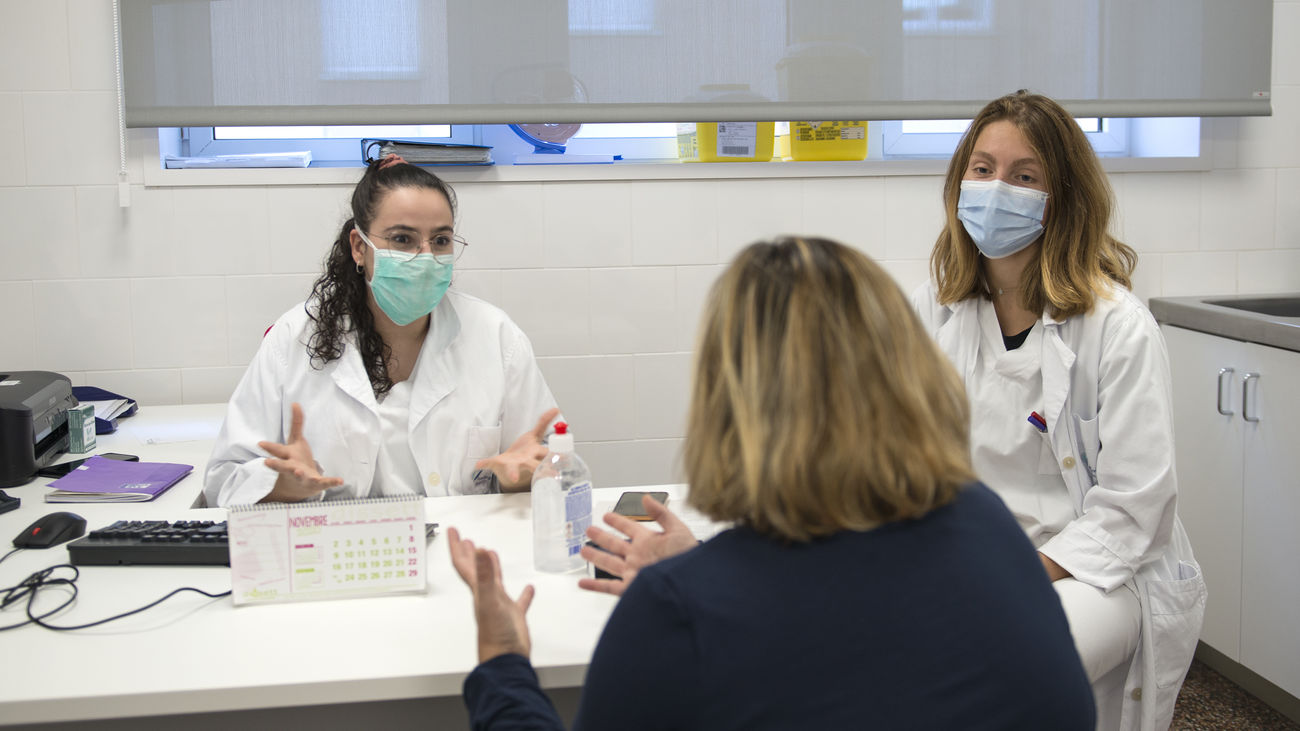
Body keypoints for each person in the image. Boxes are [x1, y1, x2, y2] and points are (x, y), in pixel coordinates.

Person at [450, 237, 1095, 730]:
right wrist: (708, 576)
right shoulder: (984, 522)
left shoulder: (675, 616)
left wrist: (505, 664)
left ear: (727, 400)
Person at [911, 90, 1206, 730]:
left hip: (1091, 570)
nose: (996, 189)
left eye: (1025, 177)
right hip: (970, 558)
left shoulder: (1118, 328)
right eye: (983, 169)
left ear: (1062, 197)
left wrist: (1008, 574)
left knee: (992, 668)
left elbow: (1135, 507)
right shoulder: (936, 310)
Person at [204, 155, 559, 506]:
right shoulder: (293, 337)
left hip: (459, 549)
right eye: (403, 239)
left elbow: (548, 464)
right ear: (360, 247)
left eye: (440, 241)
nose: (425, 257)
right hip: (336, 551)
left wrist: (524, 478)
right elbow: (223, 479)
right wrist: (283, 486)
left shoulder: (496, 336)